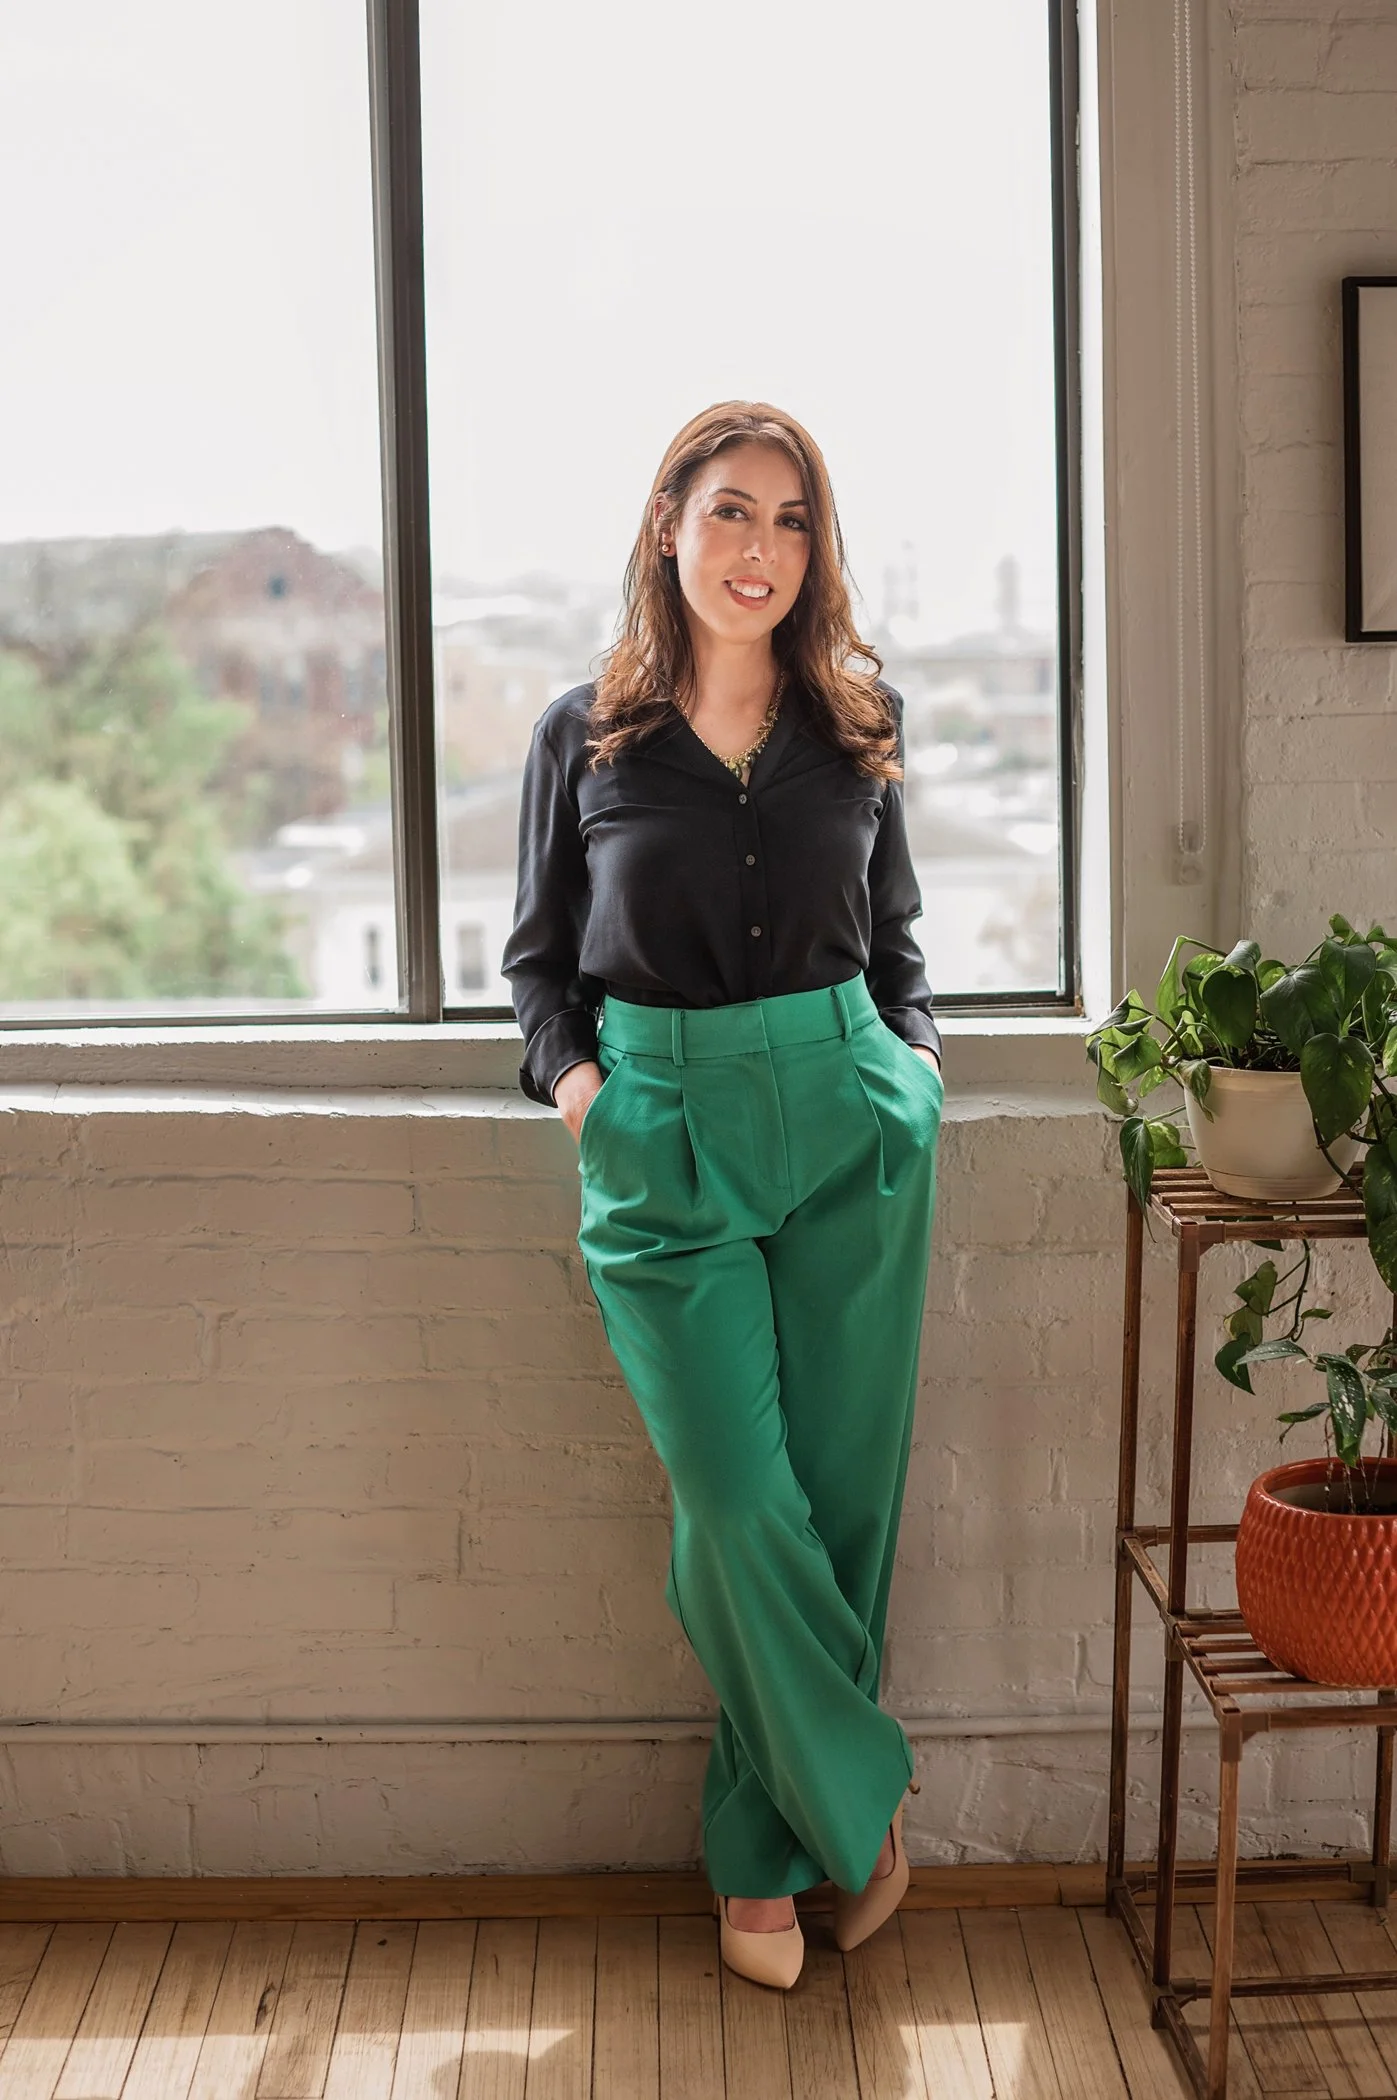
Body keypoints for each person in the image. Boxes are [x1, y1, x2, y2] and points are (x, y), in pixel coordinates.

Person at [502, 401, 943, 1990]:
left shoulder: (860, 721)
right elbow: (537, 963)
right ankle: (859, 1801)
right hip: (658, 1121)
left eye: (791, 521)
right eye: (731, 513)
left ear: (815, 552)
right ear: (668, 528)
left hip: (846, 1110)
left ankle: (760, 1869)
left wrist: (915, 1071)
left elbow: (899, 950)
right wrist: (583, 1095)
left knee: (840, 1504)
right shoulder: (587, 735)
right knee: (735, 1501)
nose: (760, 549)